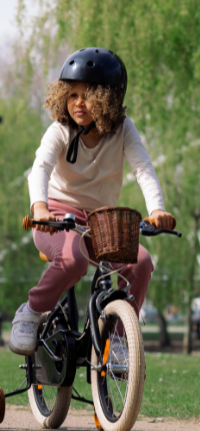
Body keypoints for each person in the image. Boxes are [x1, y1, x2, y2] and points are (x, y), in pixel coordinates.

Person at [9, 48, 175, 355]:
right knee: (74, 260)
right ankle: (31, 311)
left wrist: (157, 209)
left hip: (102, 221)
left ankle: (120, 338)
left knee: (141, 263)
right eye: (72, 95)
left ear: (108, 99)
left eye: (88, 96)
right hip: (57, 216)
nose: (78, 103)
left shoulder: (123, 130)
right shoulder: (61, 129)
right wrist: (40, 208)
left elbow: (143, 168)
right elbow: (40, 168)